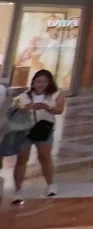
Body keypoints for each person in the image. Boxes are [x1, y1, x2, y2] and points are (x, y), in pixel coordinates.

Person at [10, 70, 65, 205]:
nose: (41, 84)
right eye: (38, 81)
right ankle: (18, 190)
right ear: (33, 82)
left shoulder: (56, 94)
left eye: (44, 82)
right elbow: (14, 108)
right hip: (25, 130)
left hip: (44, 129)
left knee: (45, 156)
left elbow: (59, 109)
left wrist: (47, 107)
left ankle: (50, 185)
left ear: (49, 83)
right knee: (22, 158)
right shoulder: (24, 96)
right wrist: (25, 108)